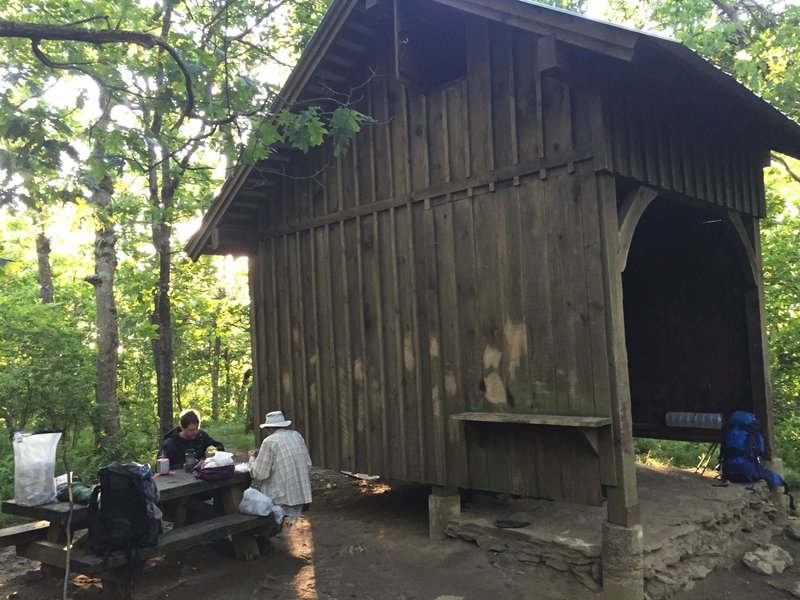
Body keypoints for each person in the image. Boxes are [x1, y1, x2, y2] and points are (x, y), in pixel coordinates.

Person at [249, 410, 312, 518]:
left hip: (282, 497)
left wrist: (252, 458)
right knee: (291, 524)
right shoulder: (296, 435)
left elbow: (259, 474)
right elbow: (308, 463)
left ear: (268, 429)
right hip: (301, 493)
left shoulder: (269, 441)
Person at [160, 409, 225, 470]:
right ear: (182, 428)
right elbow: (163, 467)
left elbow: (217, 445)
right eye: (192, 430)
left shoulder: (201, 436)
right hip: (178, 479)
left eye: (197, 428)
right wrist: (187, 464)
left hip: (202, 475)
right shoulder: (170, 443)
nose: (195, 432)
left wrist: (219, 455)